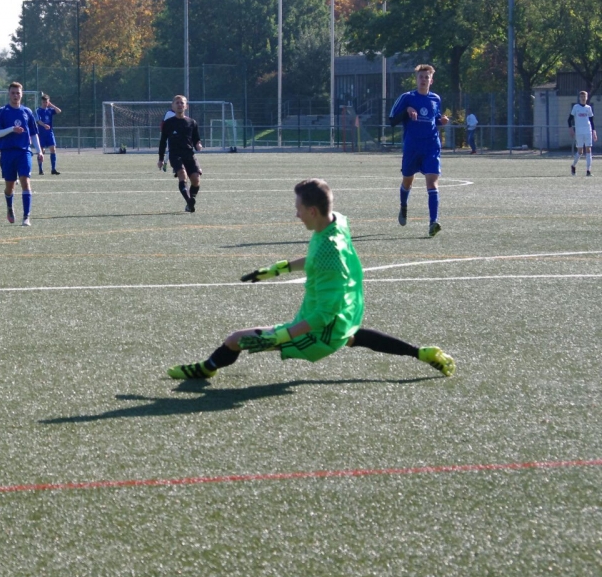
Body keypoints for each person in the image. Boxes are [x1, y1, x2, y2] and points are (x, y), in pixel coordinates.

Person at [168, 178, 456, 380]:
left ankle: (207, 368)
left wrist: (282, 335)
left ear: (313, 211)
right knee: (355, 336)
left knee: (235, 340)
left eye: (299, 209)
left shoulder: (330, 253)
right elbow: (316, 261)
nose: (296, 214)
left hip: (319, 331)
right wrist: (279, 269)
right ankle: (421, 353)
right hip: (341, 314)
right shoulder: (336, 222)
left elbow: (321, 316)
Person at [389, 64, 449, 237]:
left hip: (431, 146)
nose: (423, 80)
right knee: (408, 181)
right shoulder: (407, 98)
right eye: (421, 77)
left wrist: (441, 121)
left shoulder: (436, 99)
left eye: (426, 77)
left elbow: (434, 119)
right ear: (416, 79)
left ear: (431, 80)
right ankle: (403, 206)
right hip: (412, 147)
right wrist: (407, 111)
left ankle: (433, 222)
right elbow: (392, 120)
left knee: (432, 183)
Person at [0, 82, 43, 226]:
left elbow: (33, 134)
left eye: (18, 93)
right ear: (9, 94)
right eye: (13, 93)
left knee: (25, 182)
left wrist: (39, 151)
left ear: (22, 94)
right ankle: (9, 207)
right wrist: (11, 129)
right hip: (7, 153)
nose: (15, 95)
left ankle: (26, 216)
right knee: (10, 187)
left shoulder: (27, 112)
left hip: (24, 152)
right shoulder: (2, 112)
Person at [158, 95, 203, 212]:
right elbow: (163, 141)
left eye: (182, 103)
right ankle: (189, 201)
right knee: (182, 175)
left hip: (189, 154)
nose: (179, 105)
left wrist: (198, 144)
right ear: (172, 106)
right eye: (177, 103)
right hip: (175, 154)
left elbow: (196, 138)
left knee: (196, 180)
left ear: (186, 106)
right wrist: (161, 159)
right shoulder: (168, 123)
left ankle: (190, 202)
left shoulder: (192, 122)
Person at [569, 91, 595, 177]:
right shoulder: (576, 107)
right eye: (581, 97)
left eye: (584, 97)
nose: (583, 98)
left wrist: (594, 131)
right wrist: (571, 129)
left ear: (587, 97)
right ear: (579, 98)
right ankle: (573, 165)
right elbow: (569, 119)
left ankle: (588, 170)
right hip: (579, 132)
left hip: (588, 131)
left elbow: (591, 121)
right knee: (580, 151)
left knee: (589, 150)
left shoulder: (588, 108)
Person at [35, 94, 61, 175]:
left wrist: (51, 105)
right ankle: (40, 170)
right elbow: (38, 121)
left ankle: (53, 169)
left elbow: (59, 111)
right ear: (41, 102)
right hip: (41, 134)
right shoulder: (38, 110)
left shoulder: (50, 110)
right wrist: (44, 125)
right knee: (41, 151)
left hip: (49, 133)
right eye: (43, 102)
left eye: (46, 102)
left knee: (53, 149)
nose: (45, 103)